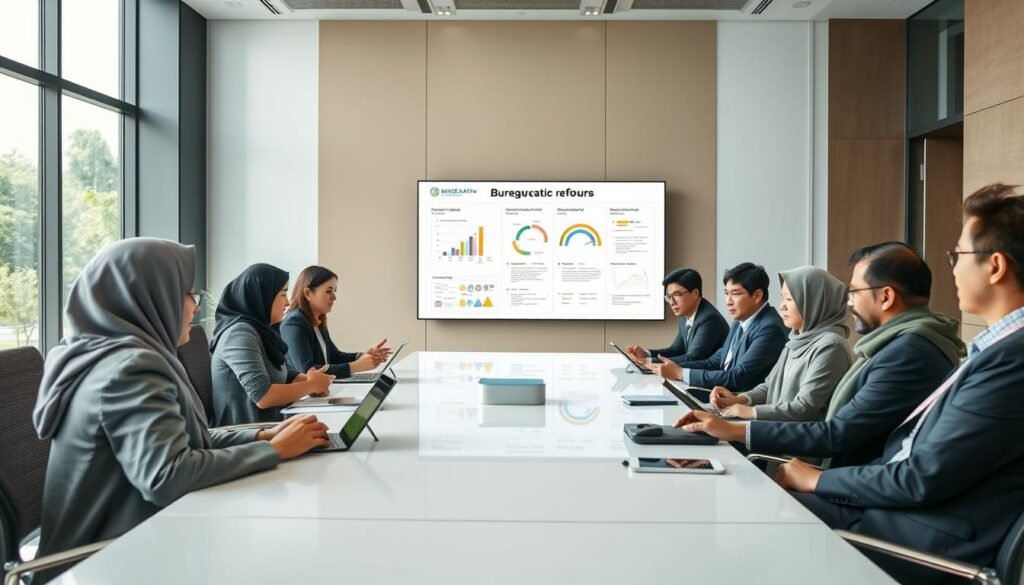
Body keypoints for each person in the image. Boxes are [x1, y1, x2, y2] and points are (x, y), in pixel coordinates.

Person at [32, 239, 329, 582]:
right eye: (188, 295)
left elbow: (185, 444)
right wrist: (273, 450)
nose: (195, 308)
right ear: (150, 297)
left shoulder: (126, 356)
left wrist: (260, 435)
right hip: (107, 564)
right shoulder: (127, 370)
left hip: (143, 539)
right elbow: (167, 476)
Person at [773, 185, 1024, 583]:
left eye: (958, 255)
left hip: (922, 540)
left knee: (760, 519)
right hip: (898, 514)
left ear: (994, 266)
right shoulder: (995, 350)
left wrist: (819, 480)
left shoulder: (1012, 360)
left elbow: (922, 476)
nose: (953, 269)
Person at [676, 243, 964, 469]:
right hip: (801, 450)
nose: (849, 301)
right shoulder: (801, 340)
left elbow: (829, 430)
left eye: (855, 292)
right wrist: (741, 401)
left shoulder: (900, 352)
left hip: (813, 461)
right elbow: (770, 387)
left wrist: (738, 425)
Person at [699, 266, 852, 422]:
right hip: (774, 428)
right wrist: (740, 399)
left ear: (814, 302)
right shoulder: (795, 340)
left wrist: (750, 411)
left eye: (789, 299)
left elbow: (804, 408)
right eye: (782, 298)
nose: (782, 306)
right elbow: (768, 386)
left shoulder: (831, 346)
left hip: (793, 438)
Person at [210, 263, 334, 426]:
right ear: (261, 296)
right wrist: (311, 385)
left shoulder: (262, 330)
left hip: (272, 427)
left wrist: (311, 380)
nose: (289, 302)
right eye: (283, 294)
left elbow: (283, 375)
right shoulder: (239, 334)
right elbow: (263, 396)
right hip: (248, 436)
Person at [650, 262, 788, 392]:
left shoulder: (770, 328)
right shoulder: (739, 322)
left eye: (735, 294)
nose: (728, 301)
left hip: (740, 401)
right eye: (726, 293)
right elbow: (714, 362)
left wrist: (680, 373)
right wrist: (672, 367)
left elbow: (737, 377)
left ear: (757, 295)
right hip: (722, 394)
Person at [280, 265, 389, 379]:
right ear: (308, 293)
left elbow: (334, 357)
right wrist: (356, 366)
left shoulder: (318, 322)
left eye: (334, 291)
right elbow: (307, 371)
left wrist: (363, 356)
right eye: (328, 291)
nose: (334, 297)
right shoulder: (293, 324)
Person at [626, 267, 728, 366]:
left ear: (695, 293)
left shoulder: (709, 319)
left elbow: (692, 358)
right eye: (669, 297)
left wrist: (648, 361)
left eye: (677, 295)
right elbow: (676, 350)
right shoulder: (684, 314)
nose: (672, 302)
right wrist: (646, 354)